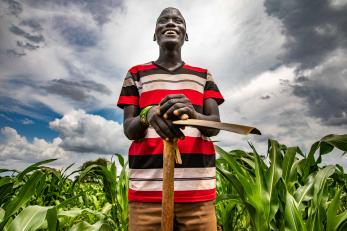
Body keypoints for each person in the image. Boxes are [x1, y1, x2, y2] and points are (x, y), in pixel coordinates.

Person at [117, 7, 224, 231]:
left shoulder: (203, 75)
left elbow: (214, 126)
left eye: (178, 20)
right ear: (155, 34)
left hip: (197, 193)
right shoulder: (136, 74)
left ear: (186, 35)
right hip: (147, 193)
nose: (170, 23)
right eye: (163, 20)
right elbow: (129, 129)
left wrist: (194, 115)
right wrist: (148, 114)